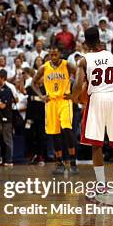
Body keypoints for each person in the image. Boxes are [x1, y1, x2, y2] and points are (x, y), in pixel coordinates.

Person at [72, 26, 113, 194]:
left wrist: (74, 97)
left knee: (96, 145)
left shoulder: (83, 60)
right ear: (99, 39)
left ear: (86, 42)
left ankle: (101, 185)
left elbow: (77, 85)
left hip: (96, 99)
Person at [33, 45, 78, 175]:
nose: (53, 57)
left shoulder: (67, 65)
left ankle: (73, 162)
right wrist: (41, 96)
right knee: (55, 133)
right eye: (51, 55)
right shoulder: (44, 67)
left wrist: (74, 94)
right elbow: (33, 82)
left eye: (55, 55)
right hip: (51, 103)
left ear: (60, 55)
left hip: (64, 100)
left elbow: (81, 76)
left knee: (67, 130)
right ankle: (59, 164)